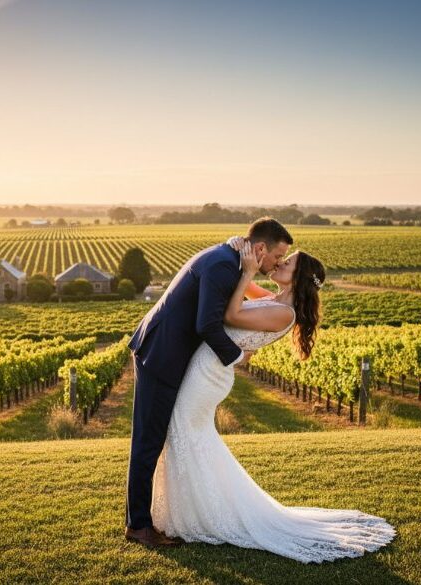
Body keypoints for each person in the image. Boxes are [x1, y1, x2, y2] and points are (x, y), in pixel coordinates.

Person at [146, 238, 396, 563]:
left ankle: (198, 514)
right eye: (282, 258)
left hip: (209, 374)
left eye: (287, 263)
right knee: (187, 434)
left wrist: (249, 271)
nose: (280, 263)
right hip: (208, 366)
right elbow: (244, 285)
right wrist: (238, 247)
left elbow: (232, 314)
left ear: (298, 277)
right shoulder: (274, 300)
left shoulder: (283, 314)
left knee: (184, 431)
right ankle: (195, 509)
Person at [125, 218, 293, 548]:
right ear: (260, 248)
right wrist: (238, 357)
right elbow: (207, 324)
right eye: (277, 256)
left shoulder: (230, 259)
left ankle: (144, 519)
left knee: (154, 437)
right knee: (148, 440)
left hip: (170, 352)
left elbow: (252, 302)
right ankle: (139, 526)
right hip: (161, 353)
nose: (277, 263)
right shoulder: (223, 266)